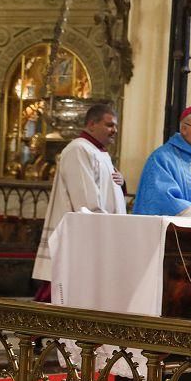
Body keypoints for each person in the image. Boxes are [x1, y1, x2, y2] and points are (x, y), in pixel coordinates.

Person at [32, 104, 125, 295]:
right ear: (91, 124)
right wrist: (108, 229)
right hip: (86, 236)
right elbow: (85, 199)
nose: (114, 130)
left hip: (100, 233)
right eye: (109, 125)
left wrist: (122, 183)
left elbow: (107, 188)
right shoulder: (78, 150)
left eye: (115, 126)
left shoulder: (98, 152)